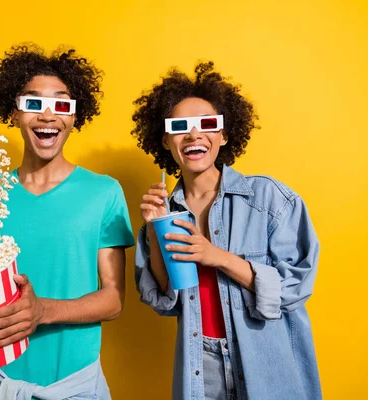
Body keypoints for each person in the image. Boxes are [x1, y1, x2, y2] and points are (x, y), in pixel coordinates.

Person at [0, 44, 135, 399]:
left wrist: (43, 311)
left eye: (62, 105)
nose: (48, 115)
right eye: (33, 103)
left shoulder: (103, 193)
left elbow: (113, 299)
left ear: (74, 117)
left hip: (76, 386)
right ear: (14, 113)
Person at [133, 61, 321, 400]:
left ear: (224, 134)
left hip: (267, 358)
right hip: (199, 362)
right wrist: (153, 232)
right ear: (164, 140)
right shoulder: (166, 211)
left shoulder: (269, 199)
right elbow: (163, 299)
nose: (194, 135)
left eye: (207, 124)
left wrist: (217, 256)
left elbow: (296, 285)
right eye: (180, 127)